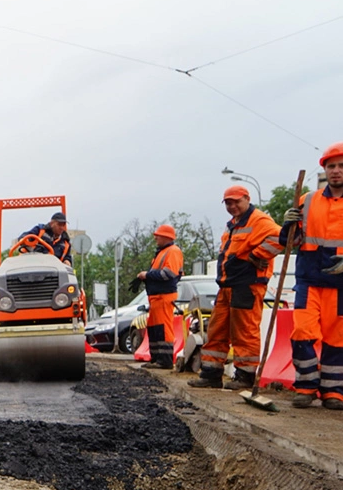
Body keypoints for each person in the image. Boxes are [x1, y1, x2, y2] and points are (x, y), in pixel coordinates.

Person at [189, 186, 282, 390]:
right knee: (217, 329)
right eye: (228, 203)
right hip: (228, 284)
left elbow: (280, 238)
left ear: (247, 199)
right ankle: (211, 373)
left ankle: (245, 376)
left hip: (247, 284)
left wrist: (257, 256)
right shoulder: (233, 224)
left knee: (245, 331)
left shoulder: (259, 220)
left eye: (236, 201)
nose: (232, 206)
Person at [282, 142, 343, 410]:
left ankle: (333, 391)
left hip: (340, 284)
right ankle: (306, 385)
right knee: (302, 332)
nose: (337, 171)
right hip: (309, 279)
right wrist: (287, 224)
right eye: (332, 166)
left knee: (336, 337)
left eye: (341, 166)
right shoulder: (307, 200)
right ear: (325, 170)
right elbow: (290, 241)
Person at [137, 225, 184, 369]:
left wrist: (147, 275)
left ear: (166, 237)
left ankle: (165, 360)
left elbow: (168, 274)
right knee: (155, 328)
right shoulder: (163, 252)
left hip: (164, 297)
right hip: (157, 297)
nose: (155, 238)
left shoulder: (173, 252)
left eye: (158, 235)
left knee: (163, 329)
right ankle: (156, 358)